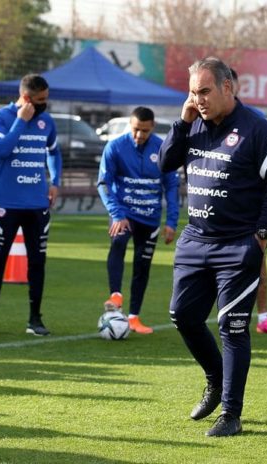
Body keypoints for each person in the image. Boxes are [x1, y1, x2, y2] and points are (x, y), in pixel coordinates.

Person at [160, 57, 267, 437]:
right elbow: (167, 162)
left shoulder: (256, 130)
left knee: (232, 326)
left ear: (227, 87)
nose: (198, 99)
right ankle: (215, 379)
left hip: (237, 245)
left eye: (205, 91)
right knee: (182, 315)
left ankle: (231, 413)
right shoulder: (193, 125)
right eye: (193, 92)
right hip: (195, 240)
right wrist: (183, 121)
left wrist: (262, 234)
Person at [0, 73, 62, 336]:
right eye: (40, 100)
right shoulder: (0, 118)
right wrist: (20, 122)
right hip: (6, 203)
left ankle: (35, 319)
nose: (44, 104)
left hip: (37, 204)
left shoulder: (47, 122)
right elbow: (1, 151)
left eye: (46, 99)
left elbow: (54, 152)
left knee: (38, 262)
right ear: (26, 98)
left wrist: (55, 181)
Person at [97, 106, 179, 334]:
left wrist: (171, 221)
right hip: (124, 215)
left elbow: (171, 186)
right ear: (129, 125)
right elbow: (104, 183)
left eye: (144, 131)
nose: (139, 135)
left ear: (152, 127)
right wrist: (117, 214)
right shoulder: (115, 147)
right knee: (118, 242)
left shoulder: (162, 148)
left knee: (142, 268)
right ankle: (116, 294)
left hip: (150, 218)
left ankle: (133, 318)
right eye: (135, 130)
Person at [230, 68, 267, 336]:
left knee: (258, 264)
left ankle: (263, 317)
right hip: (218, 213)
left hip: (251, 211)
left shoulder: (255, 120)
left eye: (233, 84)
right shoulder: (203, 122)